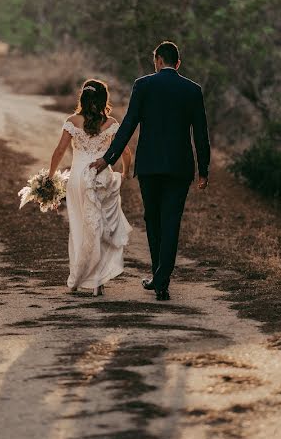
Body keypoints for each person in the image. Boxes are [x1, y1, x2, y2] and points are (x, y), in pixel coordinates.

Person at [90, 41, 210, 301]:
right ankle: (161, 280)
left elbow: (129, 124)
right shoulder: (192, 90)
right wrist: (204, 170)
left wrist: (107, 159)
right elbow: (201, 133)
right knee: (171, 222)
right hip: (179, 167)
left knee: (153, 220)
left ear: (157, 61)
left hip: (150, 166)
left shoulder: (143, 85)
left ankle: (159, 278)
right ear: (177, 64)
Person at [49, 79, 133, 296]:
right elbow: (125, 152)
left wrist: (50, 176)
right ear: (104, 99)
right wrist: (124, 173)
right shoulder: (112, 123)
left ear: (83, 98)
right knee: (100, 229)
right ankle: (97, 281)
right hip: (101, 177)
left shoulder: (72, 121)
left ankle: (77, 277)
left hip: (77, 178)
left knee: (79, 227)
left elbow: (59, 151)